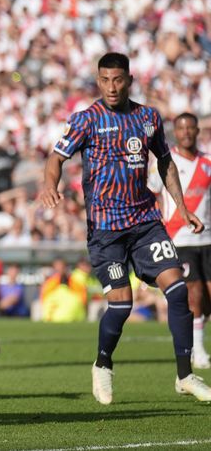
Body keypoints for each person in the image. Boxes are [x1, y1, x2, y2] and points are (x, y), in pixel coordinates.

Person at [41, 52, 211, 404]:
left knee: (177, 288)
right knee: (121, 304)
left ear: (129, 80)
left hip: (146, 222)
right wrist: (49, 185)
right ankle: (102, 365)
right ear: (98, 80)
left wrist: (182, 208)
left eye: (117, 79)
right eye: (104, 80)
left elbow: (165, 162)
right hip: (105, 229)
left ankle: (185, 375)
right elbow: (56, 157)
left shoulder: (148, 117)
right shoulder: (86, 120)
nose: (111, 87)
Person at [149, 112, 211, 368]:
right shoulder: (165, 161)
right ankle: (198, 350)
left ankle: (197, 339)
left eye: (190, 128)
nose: (186, 132)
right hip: (179, 238)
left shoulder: (207, 162)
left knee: (207, 299)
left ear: (197, 131)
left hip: (207, 238)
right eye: (181, 128)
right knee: (194, 293)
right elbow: (151, 193)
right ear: (175, 131)